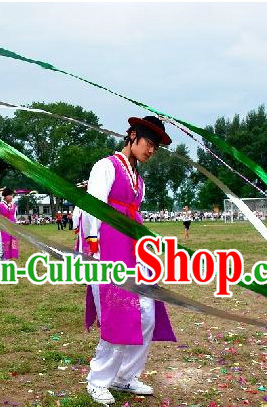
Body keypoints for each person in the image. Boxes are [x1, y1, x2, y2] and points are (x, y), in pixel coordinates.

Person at [81, 115, 176, 405]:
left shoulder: (139, 180)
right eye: (149, 142)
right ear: (132, 135)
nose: (151, 151)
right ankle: (98, 381)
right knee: (117, 313)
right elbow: (91, 207)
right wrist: (93, 246)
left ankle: (125, 376)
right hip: (108, 249)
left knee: (146, 314)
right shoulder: (105, 166)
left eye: (156, 147)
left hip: (134, 249)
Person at [0, 188, 19, 261]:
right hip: (1, 230)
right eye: (9, 195)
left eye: (11, 195)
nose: (11, 197)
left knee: (7, 250)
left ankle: (4, 268)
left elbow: (14, 217)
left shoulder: (14, 206)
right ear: (5, 196)